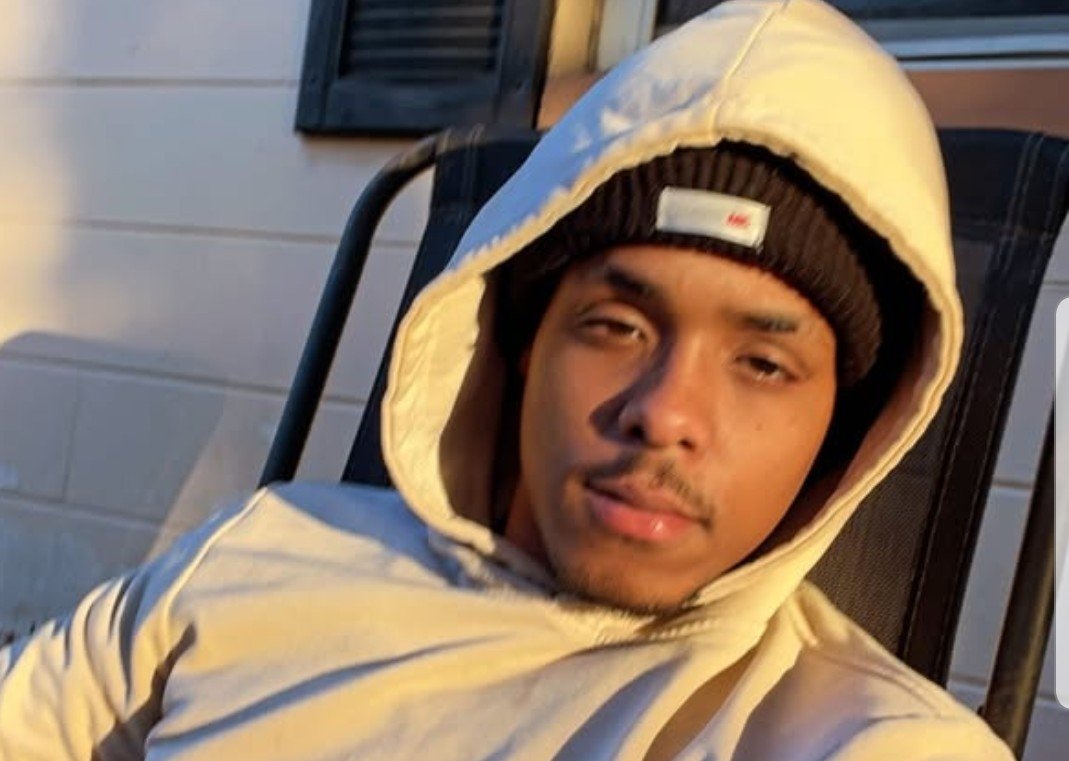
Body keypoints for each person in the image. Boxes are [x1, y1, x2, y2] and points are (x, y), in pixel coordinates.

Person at [0, 0, 1015, 758]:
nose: (661, 412)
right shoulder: (260, 552)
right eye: (615, 325)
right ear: (519, 342)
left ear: (845, 427)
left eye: (761, 362)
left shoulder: (858, 739)